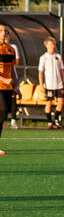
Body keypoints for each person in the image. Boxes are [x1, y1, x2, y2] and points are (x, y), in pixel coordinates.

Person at [37, 37, 64, 129]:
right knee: (49, 103)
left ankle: (56, 119)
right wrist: (41, 85)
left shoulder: (58, 57)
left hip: (59, 84)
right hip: (49, 85)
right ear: (46, 45)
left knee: (61, 102)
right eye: (50, 44)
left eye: (53, 44)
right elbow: (40, 72)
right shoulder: (43, 58)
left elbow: (61, 70)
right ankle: (50, 122)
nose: (52, 46)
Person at [0, 23, 15, 154]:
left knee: (3, 115)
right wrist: (3, 79)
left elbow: (12, 68)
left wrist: (17, 86)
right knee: (2, 109)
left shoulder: (10, 49)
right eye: (0, 31)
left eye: (5, 31)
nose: (3, 33)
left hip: (7, 87)